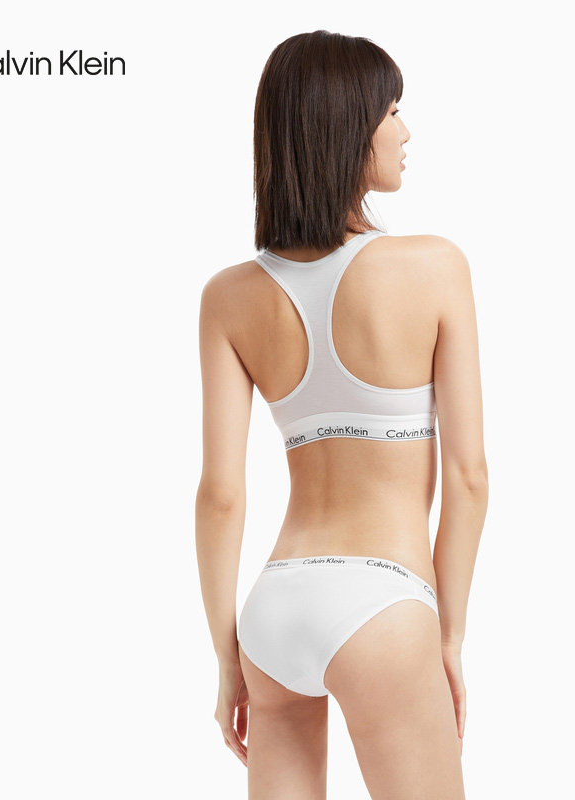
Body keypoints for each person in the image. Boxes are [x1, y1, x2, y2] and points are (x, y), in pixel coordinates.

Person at [196, 29, 488, 799]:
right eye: (390, 111)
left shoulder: (229, 297)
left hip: (274, 608)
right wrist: (448, 636)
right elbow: (469, 478)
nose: (405, 130)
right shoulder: (434, 267)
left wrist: (227, 657)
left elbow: (220, 496)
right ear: (347, 126)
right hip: (383, 603)